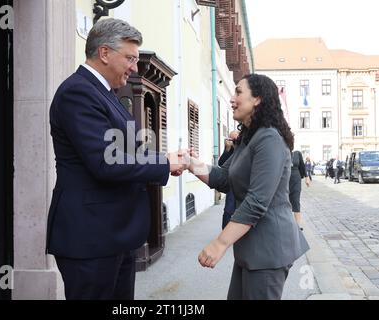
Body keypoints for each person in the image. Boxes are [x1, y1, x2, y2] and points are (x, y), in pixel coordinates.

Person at [45, 18, 185, 300]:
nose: (134, 67)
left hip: (113, 234)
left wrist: (166, 158)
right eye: (130, 58)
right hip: (90, 238)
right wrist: (163, 165)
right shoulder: (78, 92)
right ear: (105, 53)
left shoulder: (105, 93)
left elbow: (124, 150)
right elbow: (106, 162)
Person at [183, 74, 309, 300]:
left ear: (258, 99)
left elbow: (257, 201)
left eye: (239, 92)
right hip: (252, 249)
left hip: (269, 249)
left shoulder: (269, 138)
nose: (232, 99)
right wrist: (189, 163)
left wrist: (219, 243)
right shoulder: (250, 137)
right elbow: (225, 178)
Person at [218, 130, 239, 229]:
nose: (233, 141)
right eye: (231, 139)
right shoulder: (229, 149)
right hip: (232, 184)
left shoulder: (245, 147)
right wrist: (227, 149)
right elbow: (221, 164)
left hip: (244, 184)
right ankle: (225, 231)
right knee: (228, 210)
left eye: (235, 139)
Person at [289, 150, 310, 231]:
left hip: (296, 179)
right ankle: (288, 223)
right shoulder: (282, 150)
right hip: (284, 179)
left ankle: (297, 226)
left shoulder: (297, 153)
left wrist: (307, 178)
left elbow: (302, 166)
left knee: (296, 200)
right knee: (285, 200)